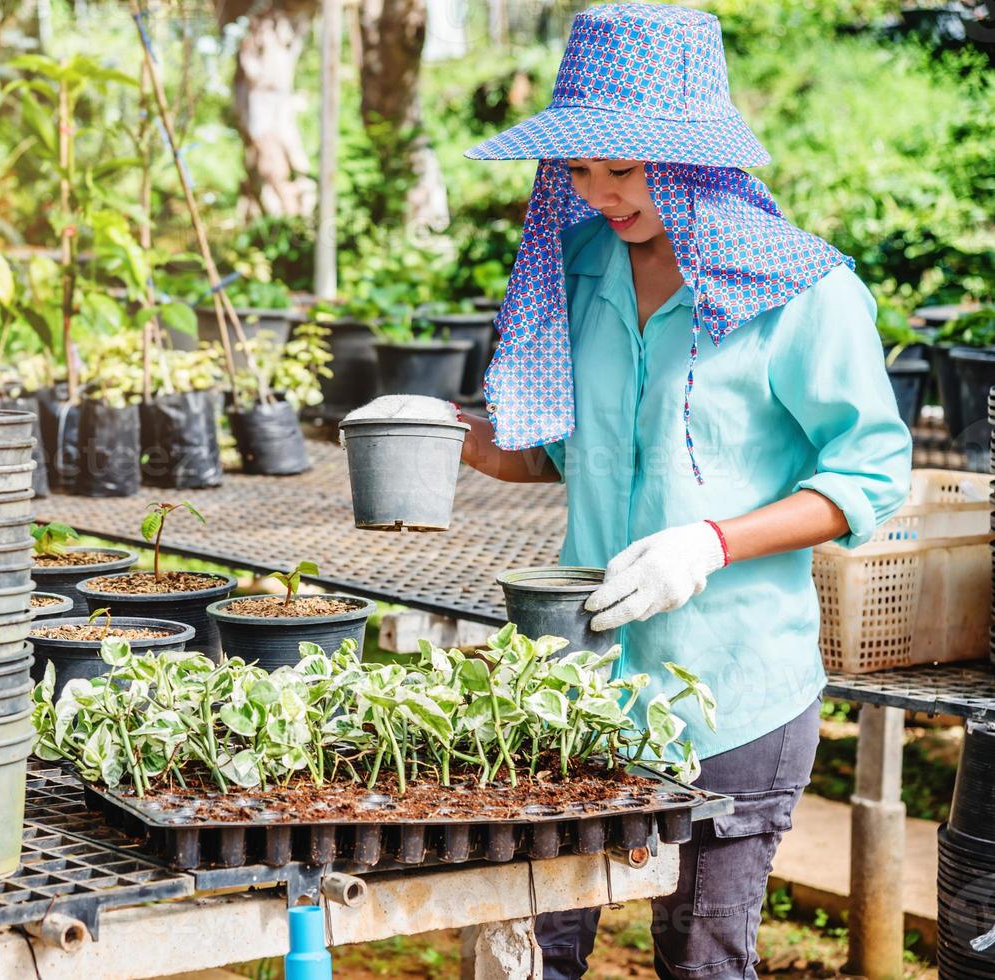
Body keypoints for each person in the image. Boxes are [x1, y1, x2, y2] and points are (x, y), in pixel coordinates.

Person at [358, 5, 913, 977]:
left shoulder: (804, 295)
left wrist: (707, 541)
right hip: (581, 684)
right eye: (578, 169)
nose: (597, 193)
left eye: (622, 169)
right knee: (537, 941)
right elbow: (575, 452)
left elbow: (868, 473)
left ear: (692, 159)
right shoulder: (580, 268)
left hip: (729, 692)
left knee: (699, 955)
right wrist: (465, 440)